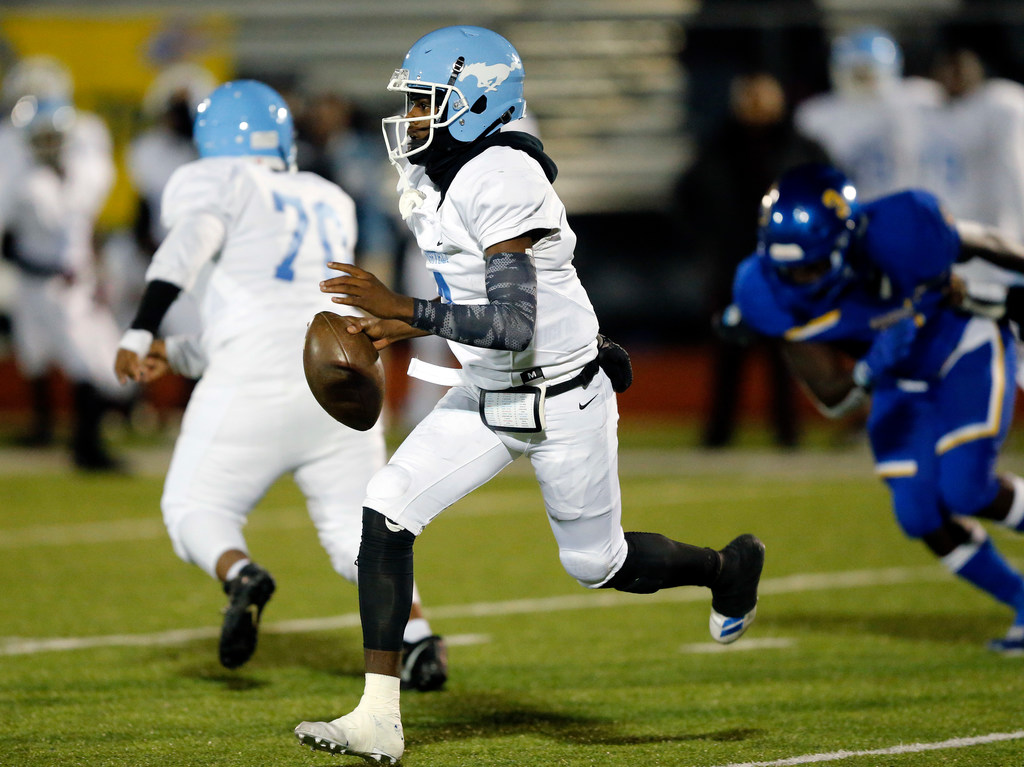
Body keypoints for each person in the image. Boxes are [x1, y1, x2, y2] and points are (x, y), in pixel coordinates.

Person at [293, 26, 765, 764]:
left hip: (561, 395)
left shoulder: (503, 175)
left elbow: (515, 323)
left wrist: (409, 311)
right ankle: (377, 715)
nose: (412, 117)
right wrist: (398, 325)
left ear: (477, 104)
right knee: (385, 508)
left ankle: (727, 568)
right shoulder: (431, 176)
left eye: (427, 102)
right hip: (486, 389)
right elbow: (472, 301)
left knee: (595, 563)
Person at [113, 80, 448, 686]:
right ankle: (420, 639)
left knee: (194, 507)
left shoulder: (216, 181)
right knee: (360, 532)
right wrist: (181, 351)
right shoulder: (327, 197)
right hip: (336, 373)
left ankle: (240, 573)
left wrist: (141, 330)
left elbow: (195, 250)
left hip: (252, 380)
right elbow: (278, 306)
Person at [727, 163, 1024, 657]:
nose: (798, 280)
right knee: (918, 513)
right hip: (896, 378)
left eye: (811, 266)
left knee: (965, 487)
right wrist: (867, 371)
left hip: (961, 347)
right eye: (787, 269)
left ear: (847, 240)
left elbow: (984, 241)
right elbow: (833, 395)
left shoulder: (903, 227)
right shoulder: (761, 290)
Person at [674, 71, 828, 448]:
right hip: (732, 269)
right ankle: (718, 436)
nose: (756, 104)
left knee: (786, 358)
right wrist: (709, 243)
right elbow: (685, 198)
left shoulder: (802, 148)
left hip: (786, 272)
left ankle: (787, 434)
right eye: (749, 96)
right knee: (728, 356)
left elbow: (831, 201)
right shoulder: (717, 146)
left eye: (763, 95)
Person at [0, 56, 127, 469]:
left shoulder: (80, 168)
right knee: (48, 354)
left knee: (96, 360)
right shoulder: (27, 179)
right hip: (40, 279)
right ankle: (81, 444)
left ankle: (88, 441)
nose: (49, 144)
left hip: (73, 279)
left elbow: (83, 219)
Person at [794, 27, 940, 203]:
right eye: (857, 73)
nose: (864, 81)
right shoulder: (818, 114)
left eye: (868, 72)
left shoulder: (919, 97)